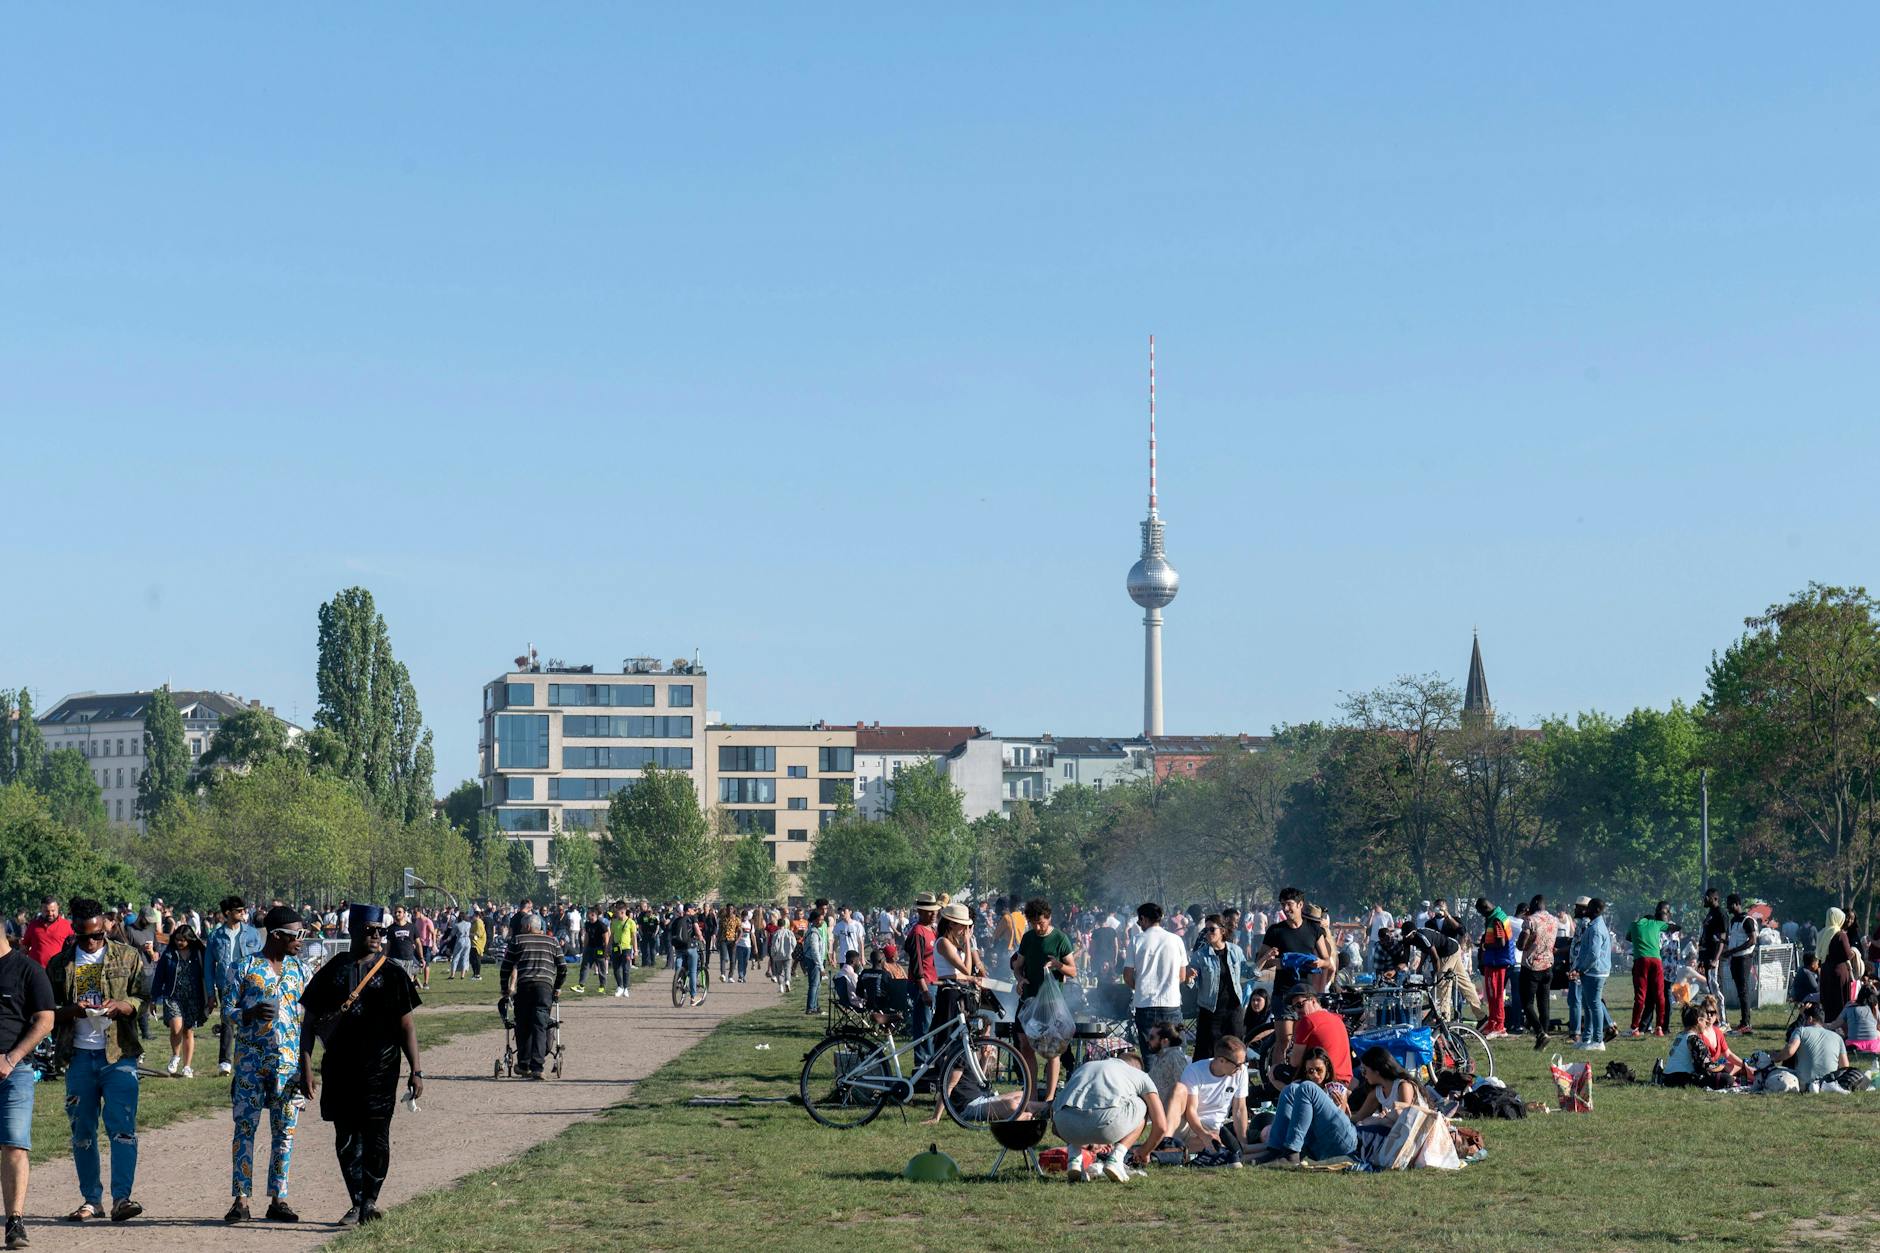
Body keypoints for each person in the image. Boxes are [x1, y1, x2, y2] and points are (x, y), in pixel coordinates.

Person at [297, 905, 423, 1226]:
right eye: (369, 930)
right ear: (352, 930)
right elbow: (310, 1020)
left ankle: (371, 1200)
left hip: (382, 1070)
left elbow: (407, 1025)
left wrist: (416, 1071)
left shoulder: (394, 973)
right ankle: (355, 1201)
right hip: (340, 1069)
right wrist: (306, 1065)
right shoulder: (333, 969)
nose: (376, 936)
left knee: (377, 1135)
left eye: (380, 931)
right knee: (346, 1137)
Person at [47, 898, 149, 1223]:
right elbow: (46, 1012)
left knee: (122, 1129)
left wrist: (122, 1005)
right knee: (82, 1131)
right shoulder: (61, 964)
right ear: (74, 928)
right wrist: (73, 1011)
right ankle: (92, 1201)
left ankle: (122, 1199)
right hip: (79, 1056)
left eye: (96, 934)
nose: (90, 941)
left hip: (118, 1055)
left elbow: (144, 998)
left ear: (105, 924)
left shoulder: (128, 956)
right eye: (83, 935)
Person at [225, 907, 310, 1224]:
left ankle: (279, 1200)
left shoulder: (302, 971)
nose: (301, 940)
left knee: (284, 1134)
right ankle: (240, 1201)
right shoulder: (244, 967)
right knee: (244, 1132)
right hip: (250, 1067)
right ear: (277, 935)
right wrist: (247, 1013)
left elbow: (312, 1018)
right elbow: (227, 1012)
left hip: (288, 1070)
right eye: (297, 935)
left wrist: (308, 1065)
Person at [0, 915, 56, 1251]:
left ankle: (15, 1222)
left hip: (15, 1071)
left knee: (14, 1145)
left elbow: (45, 1020)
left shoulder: (27, 970)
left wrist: (11, 1058)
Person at [1050, 1053, 1173, 1183]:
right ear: (1136, 1068)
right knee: (1143, 1103)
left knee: (1073, 1105)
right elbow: (1161, 1125)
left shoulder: (1085, 1067)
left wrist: (1086, 1143)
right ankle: (1116, 1159)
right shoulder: (1140, 1075)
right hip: (1106, 1125)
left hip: (1064, 1125)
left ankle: (1074, 1159)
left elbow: (1055, 1118)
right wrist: (1144, 1151)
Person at [1012, 898, 1076, 1099]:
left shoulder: (1060, 939)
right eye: (1034, 923)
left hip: (1051, 1002)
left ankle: (1049, 1097)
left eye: (1041, 923)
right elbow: (1017, 965)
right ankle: (1030, 1094)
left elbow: (1073, 971)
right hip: (1029, 1000)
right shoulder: (1029, 938)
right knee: (1024, 1044)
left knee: (1053, 1049)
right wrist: (1020, 979)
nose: (1038, 927)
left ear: (1049, 918)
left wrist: (1058, 965)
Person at [1256, 888, 1332, 1057]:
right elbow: (1260, 962)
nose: (1286, 909)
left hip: (1306, 993)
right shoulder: (1275, 931)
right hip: (1283, 992)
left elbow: (1327, 960)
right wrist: (1281, 963)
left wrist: (1319, 962)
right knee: (1284, 1041)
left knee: (1306, 1040)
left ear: (1300, 905)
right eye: (1283, 905)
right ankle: (1275, 1079)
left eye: (1289, 904)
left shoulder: (1313, 929)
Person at [1251, 1059, 1359, 1166]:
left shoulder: (1337, 1089)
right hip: (1316, 1146)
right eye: (1310, 1071)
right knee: (1290, 1089)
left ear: (1327, 1070)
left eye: (1319, 1070)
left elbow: (1344, 1120)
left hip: (1339, 1138)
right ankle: (1276, 1151)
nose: (1315, 1075)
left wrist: (1336, 1105)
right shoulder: (1301, 1089)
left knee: (1307, 1087)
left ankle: (1291, 1154)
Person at [500, 913, 567, 1079]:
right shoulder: (553, 941)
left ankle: (524, 1064)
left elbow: (506, 967)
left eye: (523, 926)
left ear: (528, 927)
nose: (522, 929)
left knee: (522, 1025)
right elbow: (563, 967)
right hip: (545, 988)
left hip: (524, 987)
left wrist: (504, 988)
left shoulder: (518, 940)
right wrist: (557, 986)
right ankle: (537, 1067)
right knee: (540, 1025)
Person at [1167, 1036, 1251, 1164]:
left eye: (1244, 1063)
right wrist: (1203, 1135)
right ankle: (1165, 1142)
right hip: (1188, 1124)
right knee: (1178, 1089)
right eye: (1238, 1064)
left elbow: (1239, 1109)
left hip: (1214, 1130)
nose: (1241, 1068)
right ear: (1222, 1060)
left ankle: (1176, 1151)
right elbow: (1191, 1111)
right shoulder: (1195, 1070)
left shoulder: (1241, 1071)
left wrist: (1243, 1141)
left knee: (1236, 1151)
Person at [205, 896, 262, 1077]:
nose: (243, 913)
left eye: (244, 910)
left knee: (250, 1020)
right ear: (228, 913)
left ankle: (250, 1057)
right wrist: (210, 993)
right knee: (227, 1021)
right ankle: (225, 1062)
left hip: (249, 983)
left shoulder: (253, 933)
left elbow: (260, 960)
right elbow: (208, 967)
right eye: (239, 910)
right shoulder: (216, 936)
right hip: (226, 984)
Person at [1187, 919, 1252, 1062]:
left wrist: (1264, 959)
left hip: (1233, 1009)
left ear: (1222, 931)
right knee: (1207, 1053)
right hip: (1210, 1010)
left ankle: (1235, 1080)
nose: (1208, 933)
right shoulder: (1200, 955)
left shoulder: (1235, 950)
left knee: (1235, 1050)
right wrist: (1189, 976)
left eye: (1212, 929)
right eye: (1206, 930)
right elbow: (1191, 982)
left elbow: (1248, 973)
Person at [150, 923, 208, 1078]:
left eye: (182, 940)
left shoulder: (199, 954)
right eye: (176, 939)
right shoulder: (168, 955)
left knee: (188, 1030)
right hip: (173, 996)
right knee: (176, 1027)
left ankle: (187, 1067)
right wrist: (153, 998)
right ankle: (175, 1056)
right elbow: (158, 978)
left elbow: (207, 975)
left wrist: (210, 996)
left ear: (190, 939)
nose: (179, 942)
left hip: (193, 997)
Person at [1123, 902, 1186, 1043]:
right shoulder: (1176, 940)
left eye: (1139, 921)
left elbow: (1127, 976)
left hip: (1145, 1004)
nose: (1139, 924)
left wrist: (1138, 987)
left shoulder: (1136, 940)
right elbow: (1182, 976)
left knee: (1150, 1051)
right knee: (1175, 1049)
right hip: (1171, 1002)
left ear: (1144, 919)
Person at [1622, 901, 1678, 1038]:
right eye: (1659, 911)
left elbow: (1629, 938)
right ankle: (1656, 1026)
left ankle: (1640, 1027)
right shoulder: (1659, 925)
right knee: (1658, 997)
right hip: (1660, 963)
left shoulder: (1646, 925)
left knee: (1649, 996)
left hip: (1652, 963)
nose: (1660, 913)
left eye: (1663, 911)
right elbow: (1676, 929)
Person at [1283, 987, 1352, 1085]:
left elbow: (1295, 1062)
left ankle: (1299, 1099)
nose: (1297, 1011)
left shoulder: (1308, 1021)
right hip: (1345, 1081)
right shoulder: (1337, 1018)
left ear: (1313, 1001)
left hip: (1324, 1080)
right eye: (1294, 1008)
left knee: (1274, 1072)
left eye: (1300, 1005)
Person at [1570, 897, 1614, 1050]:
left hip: (1595, 972)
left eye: (1588, 908)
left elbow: (1593, 955)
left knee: (1594, 1005)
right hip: (1592, 971)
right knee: (1588, 1006)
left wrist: (1581, 969)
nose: (1585, 910)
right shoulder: (1594, 925)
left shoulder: (1596, 929)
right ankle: (1587, 1039)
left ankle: (1598, 1040)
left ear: (1595, 910)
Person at [1773, 1004, 1851, 1090]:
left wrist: (1776, 1057)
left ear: (1810, 1019)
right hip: (1829, 1083)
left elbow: (1790, 1051)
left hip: (1803, 1082)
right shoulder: (1838, 1037)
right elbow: (1845, 1066)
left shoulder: (1801, 1030)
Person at [903, 895, 942, 1066]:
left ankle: (930, 1063)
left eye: (934, 910)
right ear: (920, 911)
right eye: (929, 911)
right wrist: (924, 990)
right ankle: (922, 1064)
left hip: (933, 983)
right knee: (923, 1027)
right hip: (923, 985)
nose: (933, 914)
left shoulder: (931, 930)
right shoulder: (918, 931)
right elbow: (917, 964)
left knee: (931, 1026)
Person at [1474, 898, 1515, 1039]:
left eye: (1480, 912)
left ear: (1485, 908)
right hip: (1494, 961)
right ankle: (1492, 1023)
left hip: (1497, 962)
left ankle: (1499, 1026)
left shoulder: (1496, 919)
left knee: (1495, 995)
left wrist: (1485, 946)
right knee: (1492, 995)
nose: (1481, 915)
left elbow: (1501, 942)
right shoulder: (1499, 915)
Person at [1723, 895, 1759, 1033]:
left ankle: (1746, 1023)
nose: (1728, 907)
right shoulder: (1733, 921)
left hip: (1744, 958)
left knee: (1743, 990)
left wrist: (1733, 951)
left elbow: (1752, 940)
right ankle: (1744, 1021)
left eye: (1730, 904)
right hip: (1735, 958)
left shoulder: (1748, 920)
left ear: (1738, 904)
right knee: (1740, 990)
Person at [1819, 908, 1856, 1022]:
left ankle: (1829, 1026)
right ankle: (1840, 1027)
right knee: (1840, 1002)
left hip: (1825, 970)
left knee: (1828, 1003)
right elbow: (1847, 955)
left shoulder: (1822, 933)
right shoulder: (1840, 935)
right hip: (1839, 971)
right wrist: (1854, 952)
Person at [666, 904, 703, 1006]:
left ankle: (678, 978)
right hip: (690, 947)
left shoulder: (677, 920)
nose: (694, 911)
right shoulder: (692, 918)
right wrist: (701, 938)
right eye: (693, 909)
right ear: (689, 910)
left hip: (678, 947)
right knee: (693, 971)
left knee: (679, 961)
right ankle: (693, 997)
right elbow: (697, 930)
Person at [1696, 887, 1727, 999]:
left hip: (1715, 956)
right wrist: (1701, 959)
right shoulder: (1710, 914)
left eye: (1707, 898)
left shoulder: (1720, 914)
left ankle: (1722, 1017)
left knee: (1716, 987)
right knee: (1711, 986)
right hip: (1707, 956)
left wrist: (1715, 959)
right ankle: (1715, 1016)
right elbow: (1705, 936)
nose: (1704, 900)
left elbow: (1722, 938)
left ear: (1714, 898)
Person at [20, 900, 70, 969]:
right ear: (41, 910)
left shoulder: (67, 925)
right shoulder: (33, 925)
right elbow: (25, 947)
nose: (50, 913)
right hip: (36, 971)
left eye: (53, 910)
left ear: (58, 908)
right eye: (47, 911)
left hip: (58, 971)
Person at [1832, 985, 1879, 1056]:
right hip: (1873, 1046)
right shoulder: (1874, 1008)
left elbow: (1836, 1024)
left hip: (1853, 1045)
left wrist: (1822, 1025)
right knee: (1878, 1032)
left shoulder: (1850, 1006)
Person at [608, 902, 636, 999]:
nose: (615, 913)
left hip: (626, 948)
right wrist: (608, 947)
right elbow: (611, 936)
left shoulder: (631, 922)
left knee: (626, 969)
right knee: (616, 968)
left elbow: (634, 937)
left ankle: (626, 988)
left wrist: (635, 950)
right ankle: (620, 986)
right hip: (616, 947)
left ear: (623, 911)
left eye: (617, 911)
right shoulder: (614, 922)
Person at [768, 918, 797, 994]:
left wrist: (773, 954)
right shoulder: (789, 933)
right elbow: (794, 943)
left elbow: (774, 945)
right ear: (785, 924)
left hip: (778, 955)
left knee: (779, 971)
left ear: (778, 925)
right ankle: (787, 982)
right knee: (788, 969)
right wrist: (792, 950)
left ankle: (781, 986)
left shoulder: (776, 933)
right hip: (788, 954)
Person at [448, 913, 473, 982]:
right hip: (468, 941)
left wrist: (447, 940)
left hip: (460, 940)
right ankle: (462, 975)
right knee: (465, 957)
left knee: (456, 957)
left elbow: (452, 934)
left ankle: (452, 975)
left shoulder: (457, 925)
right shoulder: (469, 924)